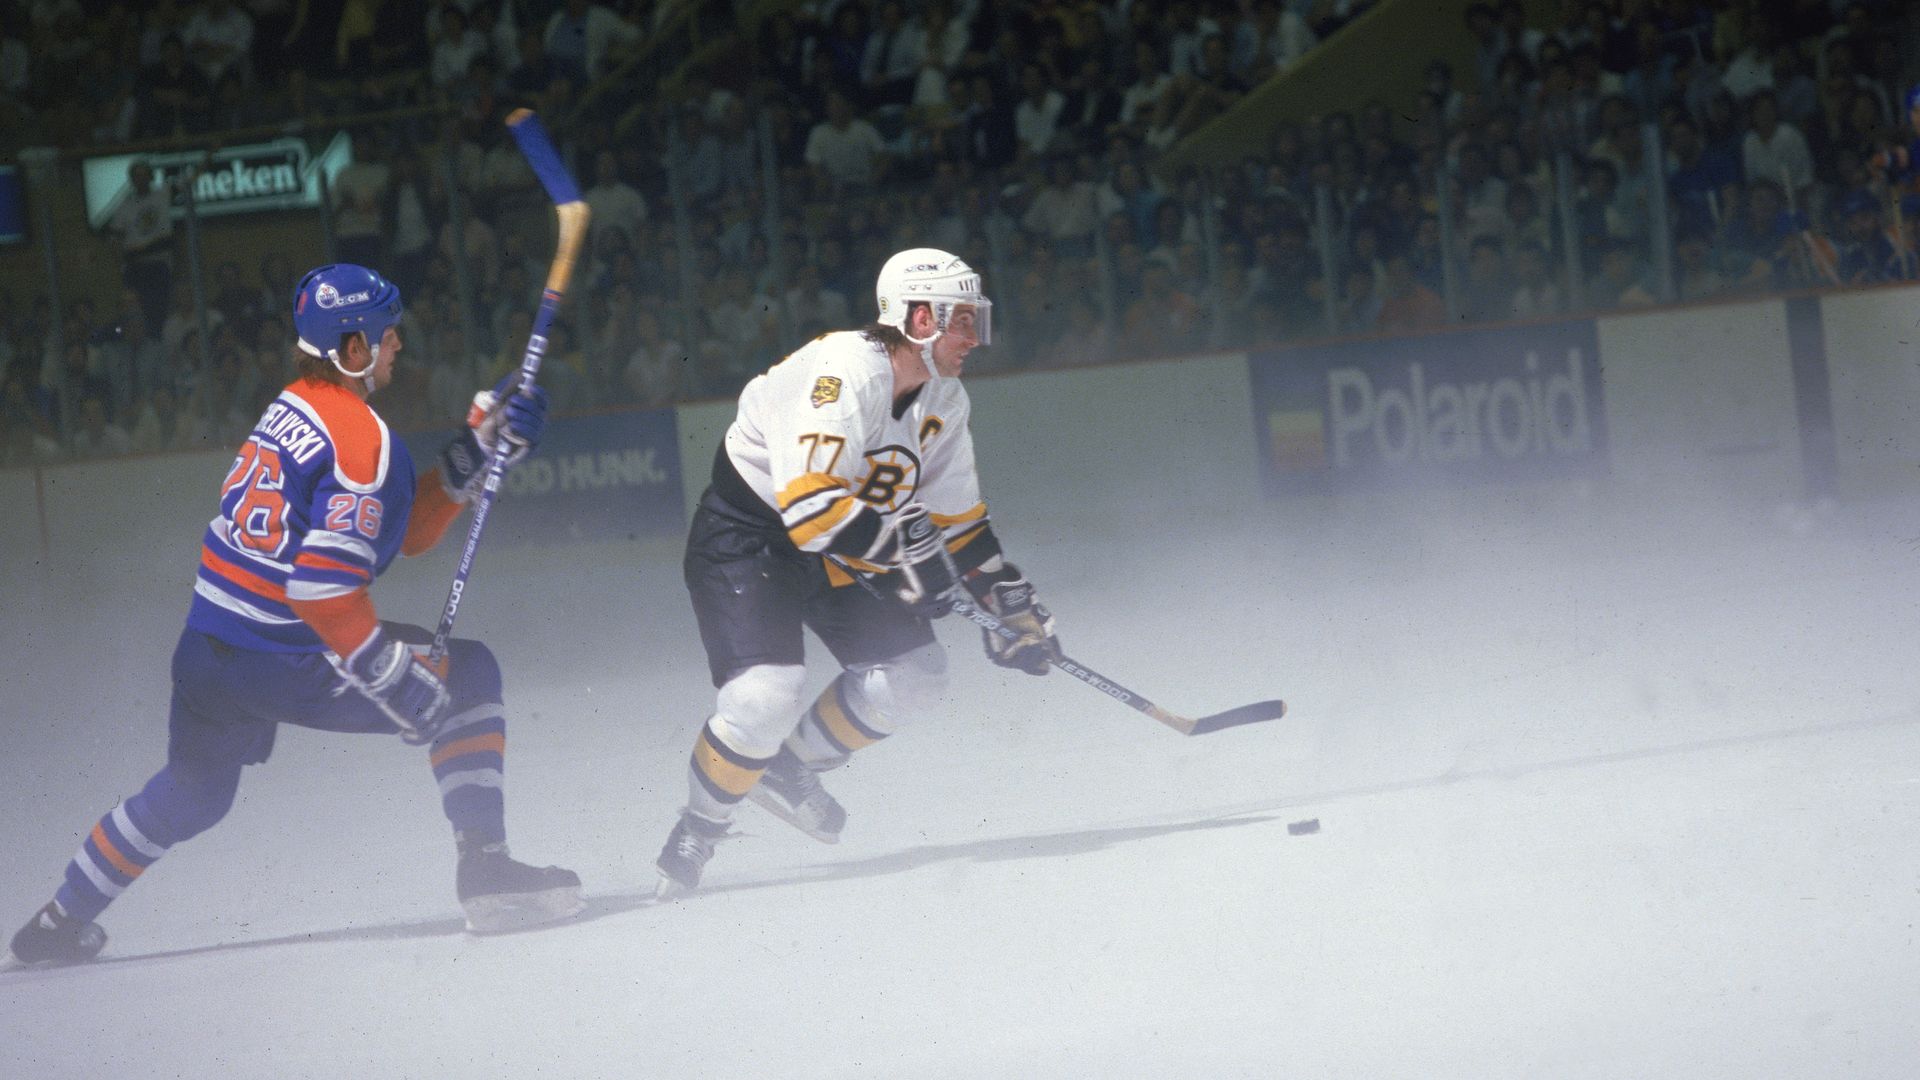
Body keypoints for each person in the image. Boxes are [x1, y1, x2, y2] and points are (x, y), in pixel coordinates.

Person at [8, 264, 582, 967]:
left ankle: (61, 916)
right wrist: (392, 679)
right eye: (386, 331)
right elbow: (322, 592)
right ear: (352, 349)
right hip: (283, 657)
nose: (399, 341)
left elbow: (404, 530)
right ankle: (488, 871)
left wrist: (480, 449)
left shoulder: (294, 406)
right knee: (470, 676)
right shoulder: (363, 443)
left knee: (196, 790)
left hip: (206, 650)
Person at [654, 248, 1064, 898]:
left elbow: (958, 522)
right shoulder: (841, 372)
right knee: (765, 697)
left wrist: (1008, 602)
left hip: (844, 542)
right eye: (962, 321)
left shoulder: (945, 401)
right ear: (918, 317)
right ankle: (700, 827)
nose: (974, 338)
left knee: (917, 677)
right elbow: (812, 508)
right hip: (750, 538)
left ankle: (787, 768)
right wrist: (906, 559)